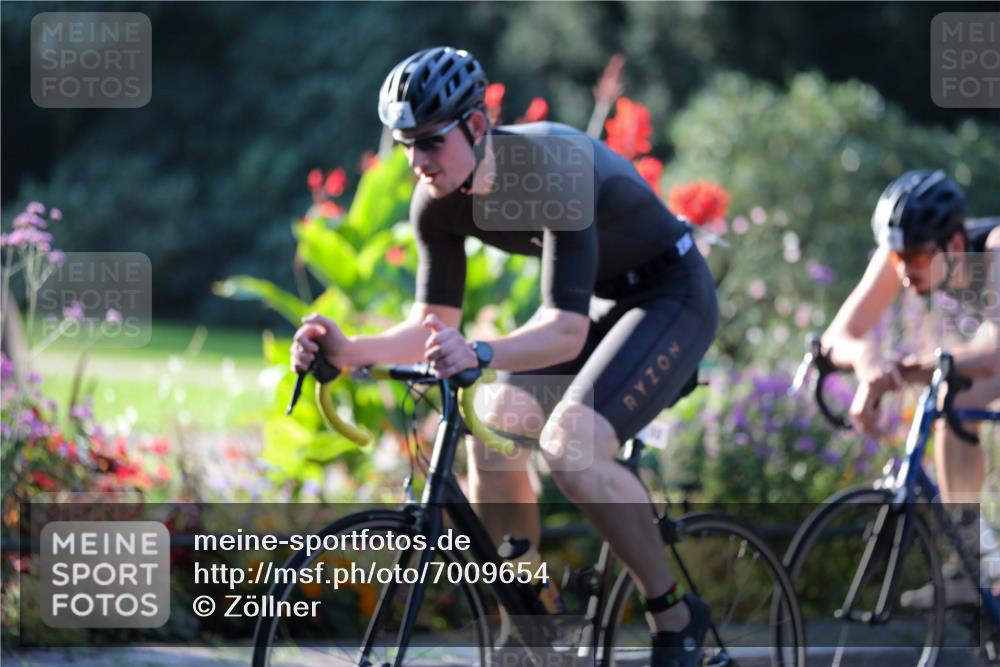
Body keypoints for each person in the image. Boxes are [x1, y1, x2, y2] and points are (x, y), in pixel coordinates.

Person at [291, 46, 718, 665]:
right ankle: (531, 613)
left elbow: (565, 332)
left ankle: (675, 614)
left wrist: (482, 350)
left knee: (572, 445)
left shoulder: (554, 170)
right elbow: (433, 323)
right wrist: (349, 349)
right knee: (491, 428)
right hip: (607, 306)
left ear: (475, 126)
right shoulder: (437, 202)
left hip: (672, 296)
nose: (416, 161)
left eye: (429, 142)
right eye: (404, 143)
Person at [821, 169, 1000, 607]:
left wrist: (908, 369)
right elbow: (838, 336)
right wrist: (869, 364)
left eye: (916, 258)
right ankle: (971, 564)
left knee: (955, 387)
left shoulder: (993, 250)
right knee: (952, 397)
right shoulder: (903, 255)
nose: (904, 272)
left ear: (955, 246)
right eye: (897, 259)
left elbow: (996, 357)